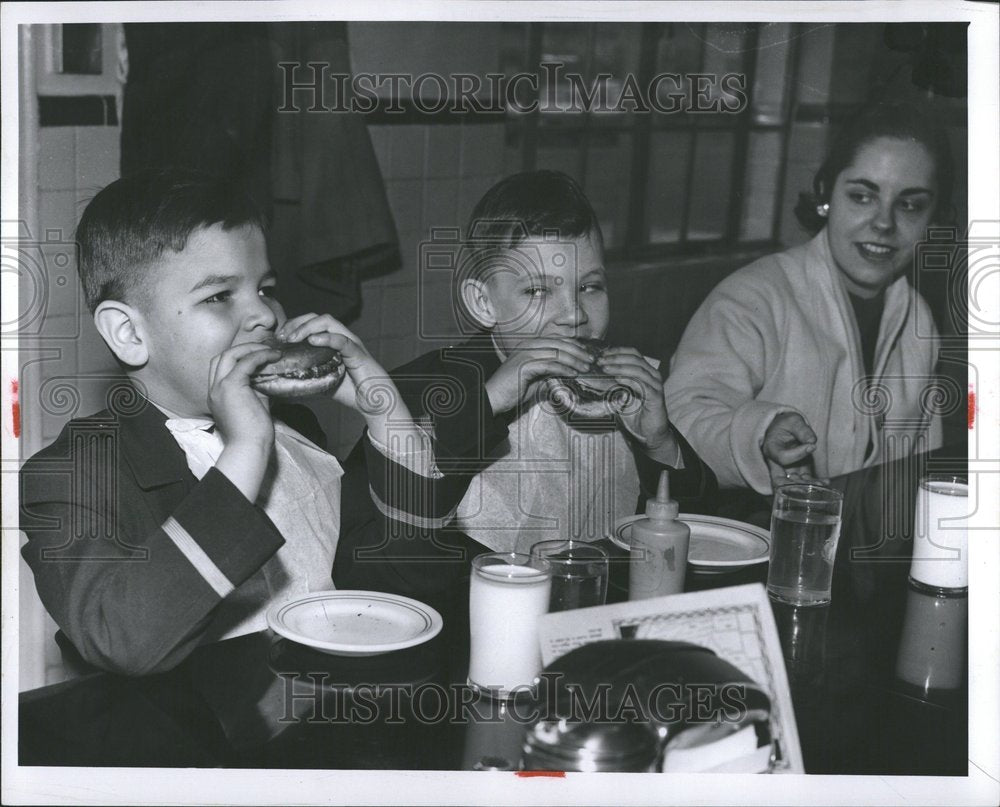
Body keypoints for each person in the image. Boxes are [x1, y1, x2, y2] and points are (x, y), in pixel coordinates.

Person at [19, 169, 463, 675]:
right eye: (218, 296)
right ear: (128, 333)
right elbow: (120, 639)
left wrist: (384, 412)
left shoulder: (296, 429)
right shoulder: (71, 474)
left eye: (265, 288)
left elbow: (411, 579)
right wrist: (246, 452)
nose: (266, 316)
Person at [334, 170, 717, 602]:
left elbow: (702, 542)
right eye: (537, 291)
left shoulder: (617, 386)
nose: (574, 315)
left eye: (590, 286)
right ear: (483, 303)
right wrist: (489, 402)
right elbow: (365, 566)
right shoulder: (414, 392)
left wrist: (658, 443)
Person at [664, 103, 952, 494]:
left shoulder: (919, 322)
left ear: (934, 220)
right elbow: (684, 417)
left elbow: (919, 475)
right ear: (825, 196)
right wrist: (761, 434)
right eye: (862, 197)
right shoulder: (753, 298)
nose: (884, 223)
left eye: (910, 205)